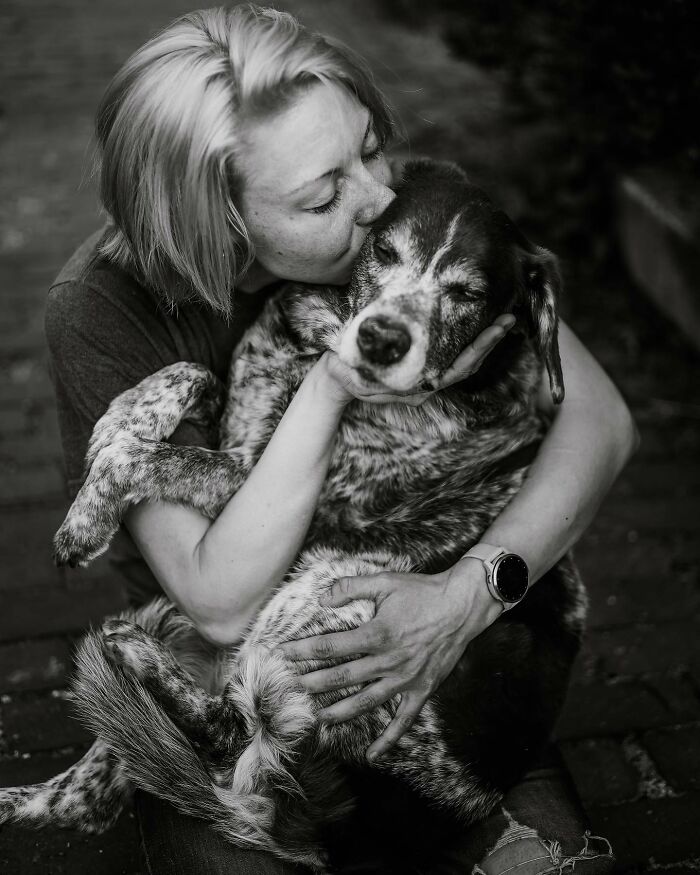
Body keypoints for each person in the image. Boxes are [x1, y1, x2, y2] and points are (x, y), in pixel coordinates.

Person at [45, 5, 633, 873]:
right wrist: (327, 383)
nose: (378, 198)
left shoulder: (397, 216)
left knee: (551, 861)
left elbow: (600, 418)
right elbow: (219, 600)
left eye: (369, 144)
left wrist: (470, 594)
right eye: (323, 194)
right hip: (235, 673)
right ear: (226, 224)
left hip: (422, 645)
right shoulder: (103, 314)